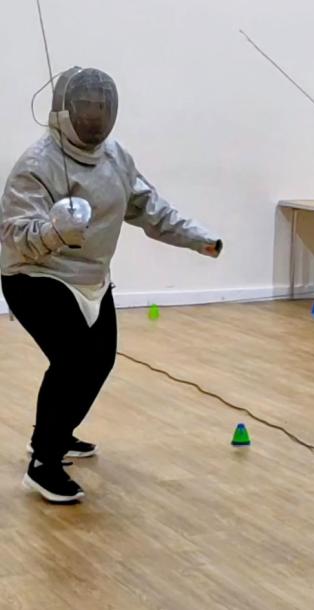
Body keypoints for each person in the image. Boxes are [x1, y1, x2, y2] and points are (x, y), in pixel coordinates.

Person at [0, 66, 222, 504]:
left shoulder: (116, 157)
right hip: (34, 275)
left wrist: (200, 239)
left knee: (98, 361)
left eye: (101, 106)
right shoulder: (37, 164)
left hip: (92, 279)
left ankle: (55, 433)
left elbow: (148, 207)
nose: (94, 115)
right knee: (73, 360)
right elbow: (14, 236)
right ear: (65, 110)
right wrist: (55, 230)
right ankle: (43, 463)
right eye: (85, 106)